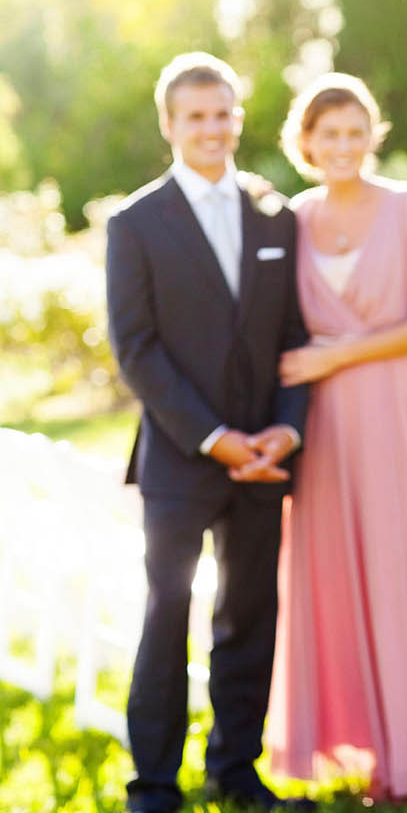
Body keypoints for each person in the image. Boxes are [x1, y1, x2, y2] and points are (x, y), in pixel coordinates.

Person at [106, 52, 313, 812]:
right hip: (180, 462)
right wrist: (215, 437)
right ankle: (153, 785)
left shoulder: (275, 213)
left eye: (222, 113)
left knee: (250, 618)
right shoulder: (135, 223)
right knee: (166, 621)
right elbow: (137, 349)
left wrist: (284, 434)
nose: (211, 129)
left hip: (264, 458)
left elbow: (295, 331)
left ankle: (236, 772)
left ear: (238, 117)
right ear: (170, 124)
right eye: (195, 116)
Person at [264, 73, 407, 801]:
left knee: (391, 566)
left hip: (390, 409)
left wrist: (336, 354)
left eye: (357, 132)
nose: (344, 146)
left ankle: (406, 755)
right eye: (330, 135)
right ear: (306, 142)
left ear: (372, 136)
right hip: (316, 423)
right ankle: (339, 742)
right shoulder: (290, 217)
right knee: (327, 574)